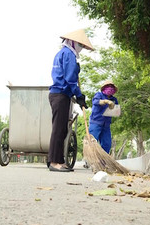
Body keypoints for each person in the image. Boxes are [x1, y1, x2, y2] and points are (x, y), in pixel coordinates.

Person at [48, 29, 94, 172]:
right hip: (61, 95)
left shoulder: (61, 53)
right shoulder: (69, 55)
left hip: (59, 94)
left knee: (60, 129)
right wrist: (79, 95)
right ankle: (55, 162)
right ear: (73, 42)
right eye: (80, 44)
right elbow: (70, 80)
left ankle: (56, 160)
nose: (81, 48)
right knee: (59, 129)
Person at [89, 80, 119, 154]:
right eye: (108, 86)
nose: (110, 88)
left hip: (106, 125)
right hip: (95, 123)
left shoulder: (114, 99)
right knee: (92, 142)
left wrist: (113, 107)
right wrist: (105, 101)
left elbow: (116, 111)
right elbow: (95, 102)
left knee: (107, 144)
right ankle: (89, 160)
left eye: (112, 87)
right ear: (104, 88)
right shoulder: (98, 95)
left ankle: (103, 162)